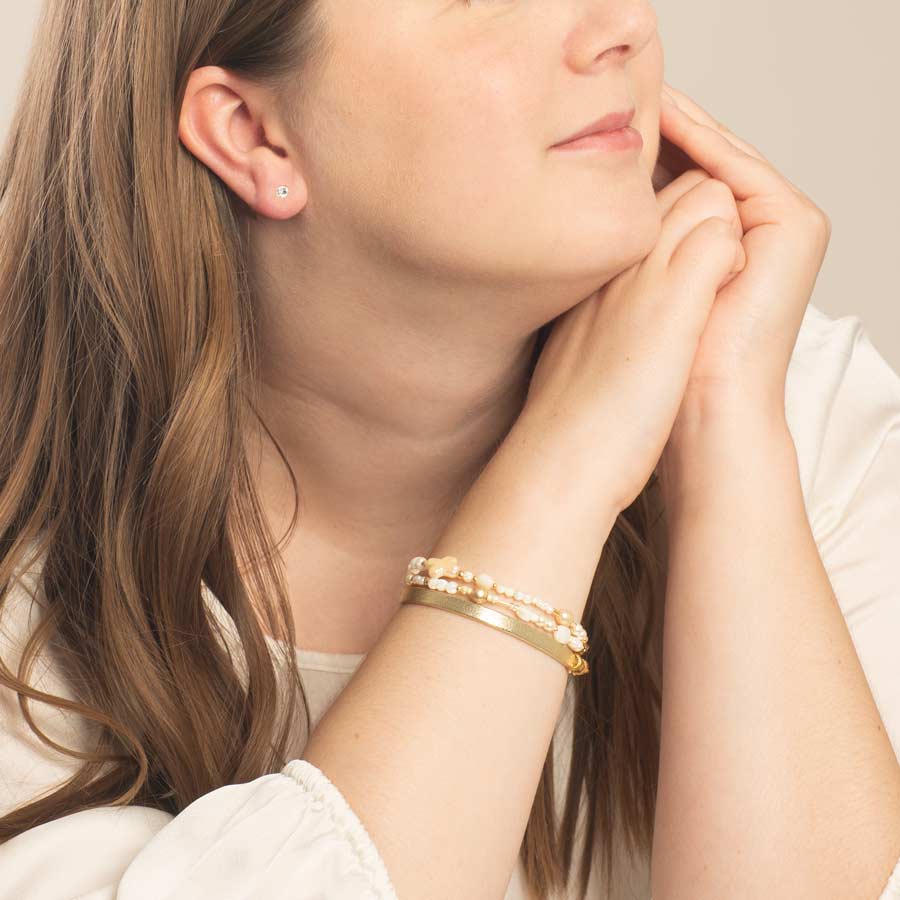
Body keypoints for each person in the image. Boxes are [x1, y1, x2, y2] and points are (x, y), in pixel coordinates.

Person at [1, 1, 899, 898]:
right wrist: (563, 471)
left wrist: (722, 435)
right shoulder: (23, 598)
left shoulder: (780, 404)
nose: (623, 23)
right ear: (254, 135)